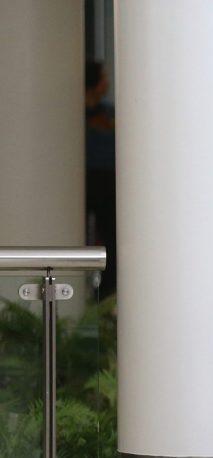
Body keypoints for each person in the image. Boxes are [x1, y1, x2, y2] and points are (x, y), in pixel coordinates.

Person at [85, 60, 117, 296]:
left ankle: (105, 295)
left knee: (111, 241)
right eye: (103, 78)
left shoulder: (109, 112)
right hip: (83, 180)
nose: (107, 83)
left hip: (108, 182)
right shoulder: (72, 114)